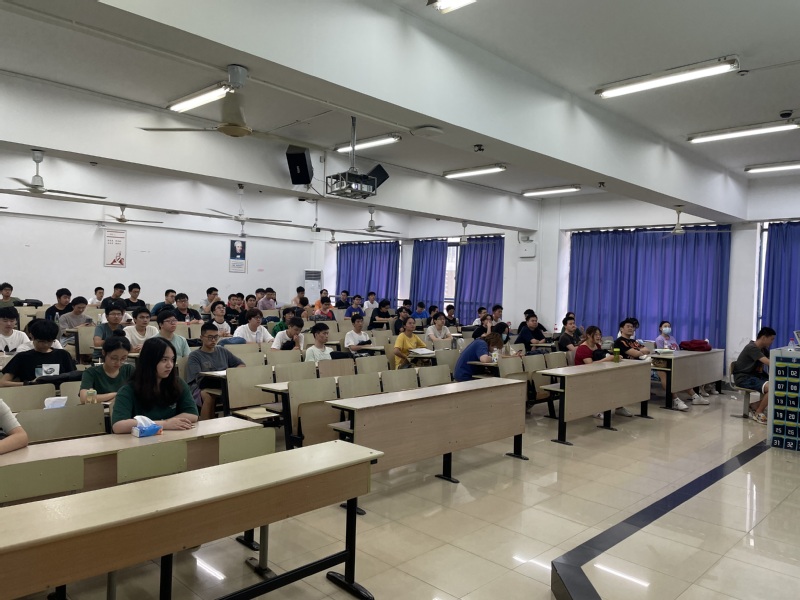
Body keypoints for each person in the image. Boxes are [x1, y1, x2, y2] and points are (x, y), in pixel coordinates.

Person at [111, 337, 198, 433]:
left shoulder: (178, 383)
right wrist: (164, 424)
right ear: (149, 361)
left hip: (172, 437)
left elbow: (192, 414)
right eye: (164, 360)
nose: (170, 365)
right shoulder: (128, 390)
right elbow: (118, 426)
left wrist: (168, 424)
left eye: (172, 359)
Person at [186, 322, 246, 419]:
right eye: (210, 337)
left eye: (216, 337)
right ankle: (206, 425)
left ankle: (239, 421)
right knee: (208, 396)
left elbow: (241, 365)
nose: (213, 340)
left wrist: (231, 373)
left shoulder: (222, 350)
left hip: (223, 382)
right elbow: (198, 378)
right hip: (201, 386)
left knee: (241, 390)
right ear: (201, 338)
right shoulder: (195, 356)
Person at [0, 319, 76, 387]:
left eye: (50, 341)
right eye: (41, 341)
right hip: (32, 394)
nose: (46, 345)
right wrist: (28, 384)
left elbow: (73, 379)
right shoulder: (22, 357)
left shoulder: (63, 355)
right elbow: (2, 382)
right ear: (32, 336)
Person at [654, 320, 705, 411]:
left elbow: (677, 350)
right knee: (665, 375)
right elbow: (661, 353)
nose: (667, 328)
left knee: (684, 376)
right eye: (665, 326)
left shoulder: (672, 338)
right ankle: (676, 400)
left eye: (669, 326)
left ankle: (695, 396)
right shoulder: (659, 339)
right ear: (660, 328)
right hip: (664, 362)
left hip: (675, 361)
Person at [733, 326, 776, 425]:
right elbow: (769, 362)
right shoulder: (752, 348)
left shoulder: (763, 349)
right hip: (743, 378)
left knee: (779, 385)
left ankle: (755, 405)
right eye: (771, 339)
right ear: (764, 337)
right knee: (773, 387)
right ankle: (758, 412)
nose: (772, 342)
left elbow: (772, 359)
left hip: (754, 376)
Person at [79, 331, 134, 404]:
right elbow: (84, 398)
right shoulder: (91, 373)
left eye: (123, 358)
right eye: (114, 358)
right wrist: (116, 395)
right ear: (104, 353)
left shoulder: (129, 370)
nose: (118, 363)